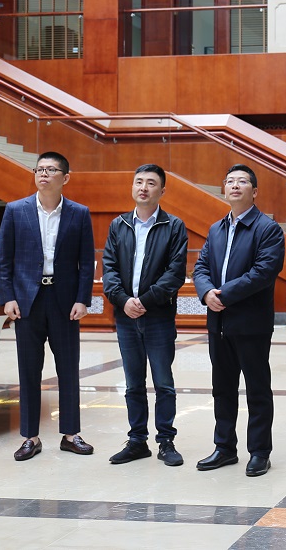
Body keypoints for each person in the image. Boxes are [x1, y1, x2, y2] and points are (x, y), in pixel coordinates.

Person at [0, 151, 95, 461]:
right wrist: (7, 297)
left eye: (51, 170)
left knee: (68, 368)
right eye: (39, 169)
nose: (43, 174)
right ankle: (30, 437)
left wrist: (82, 299)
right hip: (27, 301)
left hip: (64, 301)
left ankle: (71, 434)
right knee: (28, 370)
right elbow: (3, 260)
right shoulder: (16, 210)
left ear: (65, 177)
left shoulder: (79, 213)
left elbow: (86, 262)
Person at [193, 164, 285, 477]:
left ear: (254, 191)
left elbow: (263, 272)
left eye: (242, 181)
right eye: (230, 181)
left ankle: (259, 452)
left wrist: (224, 294)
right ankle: (224, 448)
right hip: (218, 323)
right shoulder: (216, 229)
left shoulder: (267, 229)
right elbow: (201, 266)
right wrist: (206, 292)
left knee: (257, 390)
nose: (235, 185)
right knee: (222, 389)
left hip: (251, 324)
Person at [102, 164, 189, 467]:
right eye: (138, 182)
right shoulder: (119, 225)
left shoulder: (174, 226)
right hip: (126, 317)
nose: (143, 187)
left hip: (158, 317)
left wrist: (145, 301)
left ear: (161, 190)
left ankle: (166, 441)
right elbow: (109, 268)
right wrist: (123, 300)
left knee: (163, 383)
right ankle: (137, 441)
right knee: (133, 384)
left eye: (151, 183)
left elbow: (175, 273)